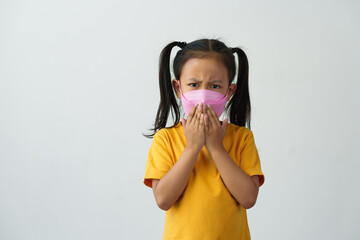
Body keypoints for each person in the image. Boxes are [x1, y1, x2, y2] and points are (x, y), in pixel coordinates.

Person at [143, 39, 265, 240]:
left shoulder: (242, 138)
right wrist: (192, 148)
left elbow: (249, 198)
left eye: (215, 85)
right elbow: (163, 200)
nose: (203, 94)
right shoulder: (165, 139)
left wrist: (216, 148)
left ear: (229, 91)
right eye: (193, 84)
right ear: (178, 87)